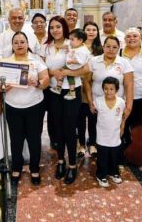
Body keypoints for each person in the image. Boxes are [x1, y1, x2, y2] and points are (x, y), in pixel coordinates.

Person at [0, 31, 49, 185]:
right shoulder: (5, 62)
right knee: (16, 139)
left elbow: (46, 80)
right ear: (12, 45)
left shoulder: (35, 60)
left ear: (28, 44)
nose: (19, 45)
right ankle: (16, 167)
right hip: (13, 106)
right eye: (16, 42)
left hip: (34, 106)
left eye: (22, 42)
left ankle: (35, 168)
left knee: (34, 139)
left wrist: (36, 83)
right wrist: (3, 87)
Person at [42, 16, 87, 184]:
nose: (55, 30)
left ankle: (73, 165)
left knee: (69, 128)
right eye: (52, 27)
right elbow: (42, 67)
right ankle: (61, 161)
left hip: (72, 90)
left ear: (64, 28)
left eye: (58, 27)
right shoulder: (46, 47)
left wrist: (67, 73)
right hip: (54, 91)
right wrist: (52, 72)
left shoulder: (73, 43)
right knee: (58, 127)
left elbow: (85, 68)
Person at [84, 36, 134, 160]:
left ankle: (114, 154)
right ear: (103, 46)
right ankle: (94, 147)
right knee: (95, 126)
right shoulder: (93, 61)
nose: (111, 49)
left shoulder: (124, 63)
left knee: (114, 128)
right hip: (97, 103)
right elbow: (86, 82)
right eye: (108, 46)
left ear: (119, 48)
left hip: (116, 104)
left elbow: (129, 85)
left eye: (114, 47)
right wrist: (90, 101)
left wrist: (129, 105)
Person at [77, 21, 104, 158]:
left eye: (94, 29)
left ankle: (92, 143)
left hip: (94, 86)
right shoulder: (77, 46)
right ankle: (81, 144)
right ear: (83, 31)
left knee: (93, 115)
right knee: (80, 117)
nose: (91, 32)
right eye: (88, 29)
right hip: (78, 85)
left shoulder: (100, 49)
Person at [94, 77, 126, 187]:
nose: (108, 91)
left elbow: (123, 117)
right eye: (106, 88)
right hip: (102, 136)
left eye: (111, 89)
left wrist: (122, 127)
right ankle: (101, 175)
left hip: (115, 135)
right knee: (102, 157)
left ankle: (114, 173)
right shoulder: (98, 101)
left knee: (114, 156)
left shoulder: (121, 102)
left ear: (117, 90)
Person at [50, 29, 90, 101]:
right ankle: (58, 87)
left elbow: (81, 61)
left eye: (72, 39)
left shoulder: (83, 50)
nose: (70, 41)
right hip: (69, 65)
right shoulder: (73, 45)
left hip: (74, 67)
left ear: (80, 40)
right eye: (70, 39)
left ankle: (72, 92)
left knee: (70, 77)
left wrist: (72, 61)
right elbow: (66, 46)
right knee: (60, 71)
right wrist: (58, 46)